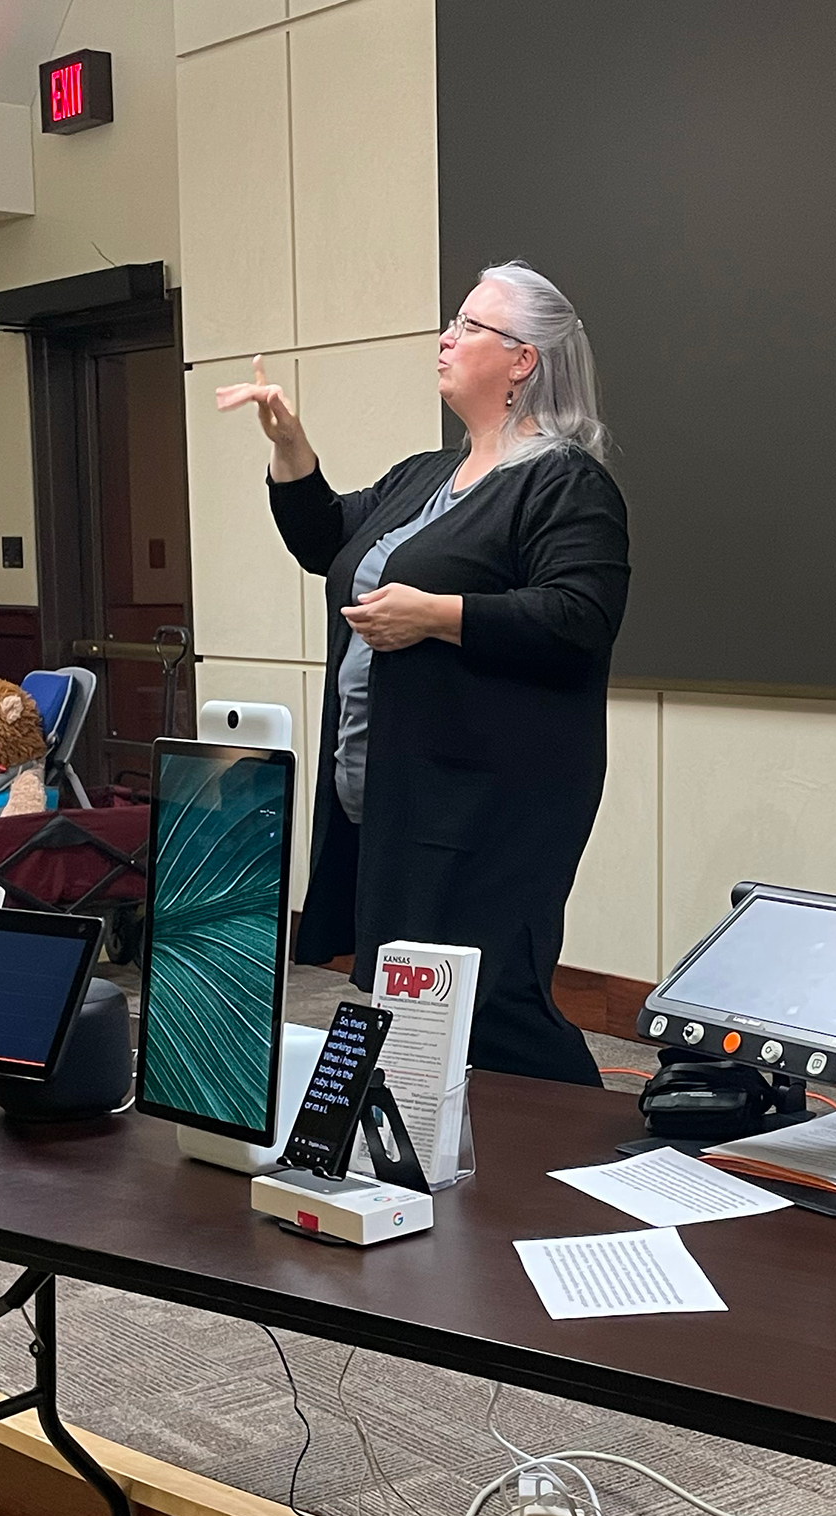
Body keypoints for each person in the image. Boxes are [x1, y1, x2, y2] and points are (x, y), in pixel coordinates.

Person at [216, 261, 629, 1086]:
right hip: (397, 794)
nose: (446, 336)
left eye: (471, 326)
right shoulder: (425, 476)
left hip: (489, 800)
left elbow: (578, 617)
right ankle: (430, 1163)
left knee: (491, 1002)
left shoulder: (565, 481)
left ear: (523, 361)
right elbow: (324, 540)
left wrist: (436, 615)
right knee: (403, 996)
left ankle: (589, 1156)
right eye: (454, 319)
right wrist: (289, 444)